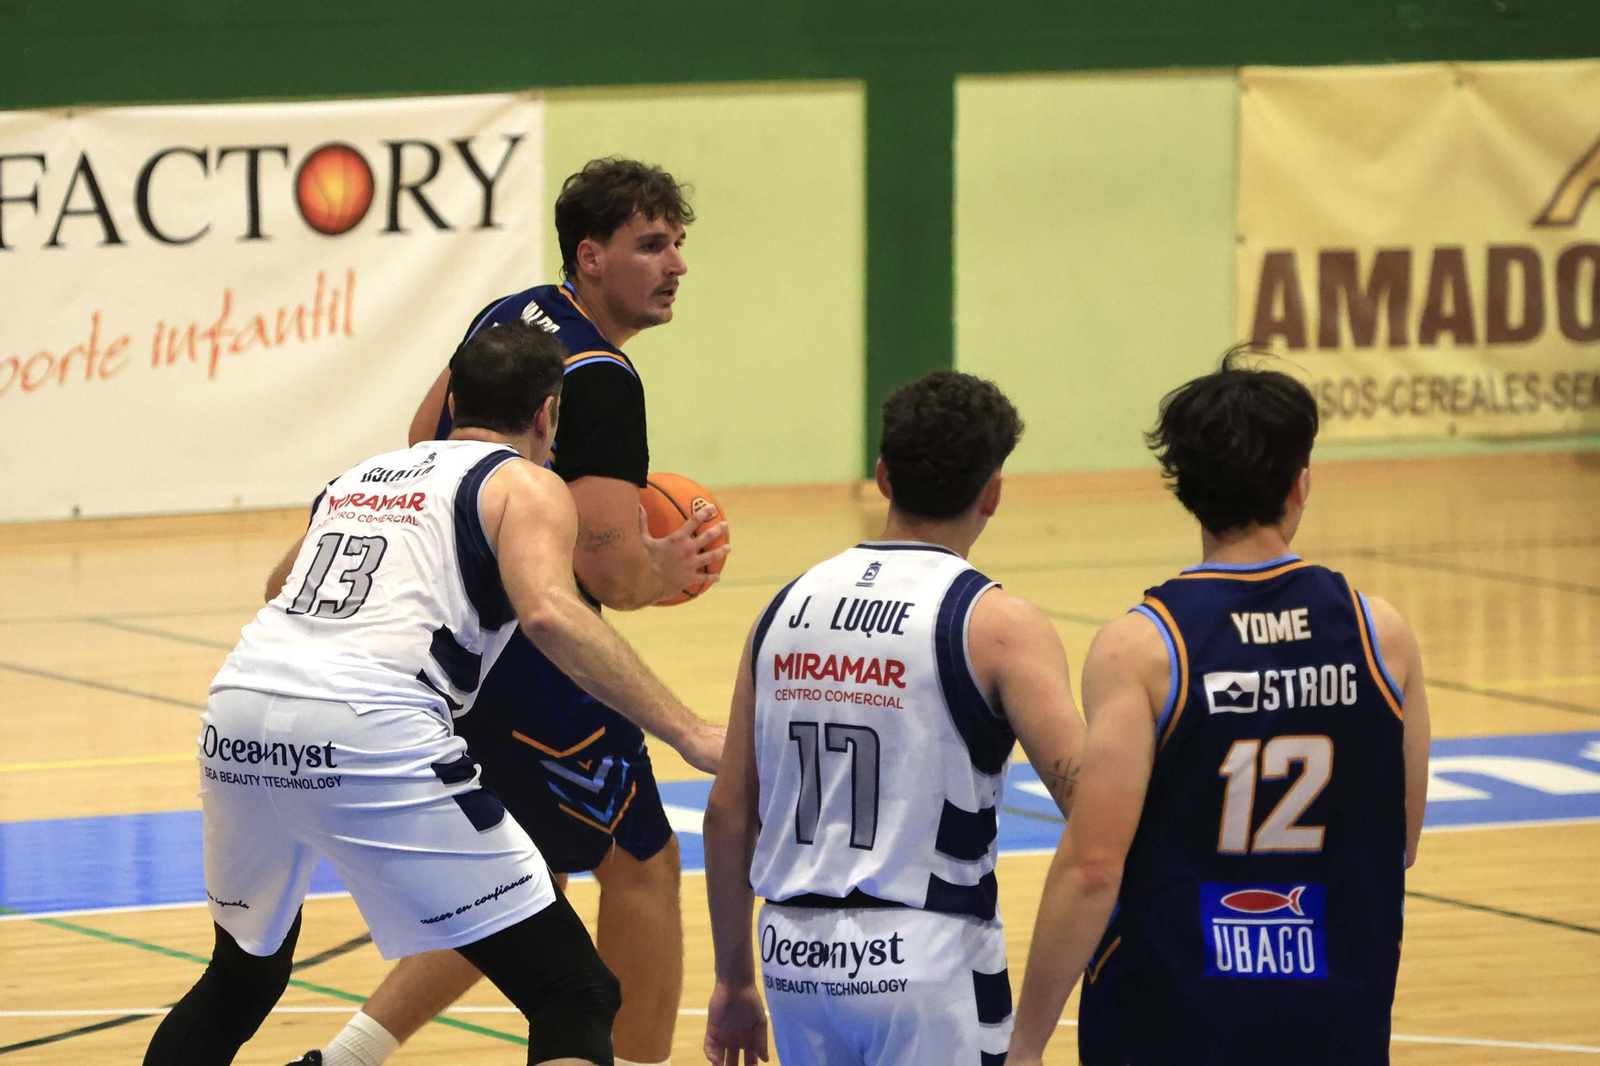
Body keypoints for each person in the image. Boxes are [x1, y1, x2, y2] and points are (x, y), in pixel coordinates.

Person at [144, 321, 724, 1066]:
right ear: (549, 414)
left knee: (240, 980)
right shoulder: (525, 482)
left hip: (238, 710)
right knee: (573, 991)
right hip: (366, 724)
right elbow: (551, 613)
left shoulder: (363, 476)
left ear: (453, 399)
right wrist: (686, 729)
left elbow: (275, 589)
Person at [307, 157, 727, 1066]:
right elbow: (613, 581)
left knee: (514, 872)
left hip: (456, 634)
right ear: (592, 256)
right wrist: (668, 563)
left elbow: (424, 439)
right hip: (537, 656)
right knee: (643, 863)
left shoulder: (515, 312)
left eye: (678, 245)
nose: (675, 265)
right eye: (651, 245)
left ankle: (341, 1058)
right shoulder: (604, 379)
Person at [1006, 349, 1432, 1066]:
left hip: (1172, 1011)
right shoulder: (1380, 634)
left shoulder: (1141, 648)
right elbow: (1403, 840)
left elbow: (1093, 867)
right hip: (1335, 1012)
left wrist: (1025, 1042)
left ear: (1184, 490)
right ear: (1300, 485)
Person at [701, 370, 1088, 1066]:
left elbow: (729, 812)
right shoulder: (997, 624)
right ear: (993, 492)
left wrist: (732, 980)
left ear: (882, 476)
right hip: (927, 957)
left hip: (791, 956)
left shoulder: (783, 609)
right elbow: (1092, 809)